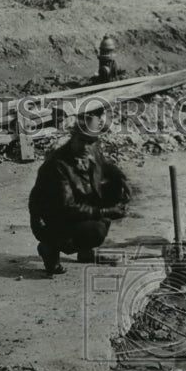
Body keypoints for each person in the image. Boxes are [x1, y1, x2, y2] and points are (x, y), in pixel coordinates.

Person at [28, 111, 130, 276]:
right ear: (72, 137)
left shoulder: (91, 149)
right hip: (50, 219)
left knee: (112, 193)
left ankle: (85, 252)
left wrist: (120, 180)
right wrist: (105, 211)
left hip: (73, 208)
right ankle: (50, 247)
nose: (86, 147)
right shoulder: (57, 165)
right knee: (96, 230)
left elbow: (103, 166)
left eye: (90, 142)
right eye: (82, 141)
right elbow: (67, 208)